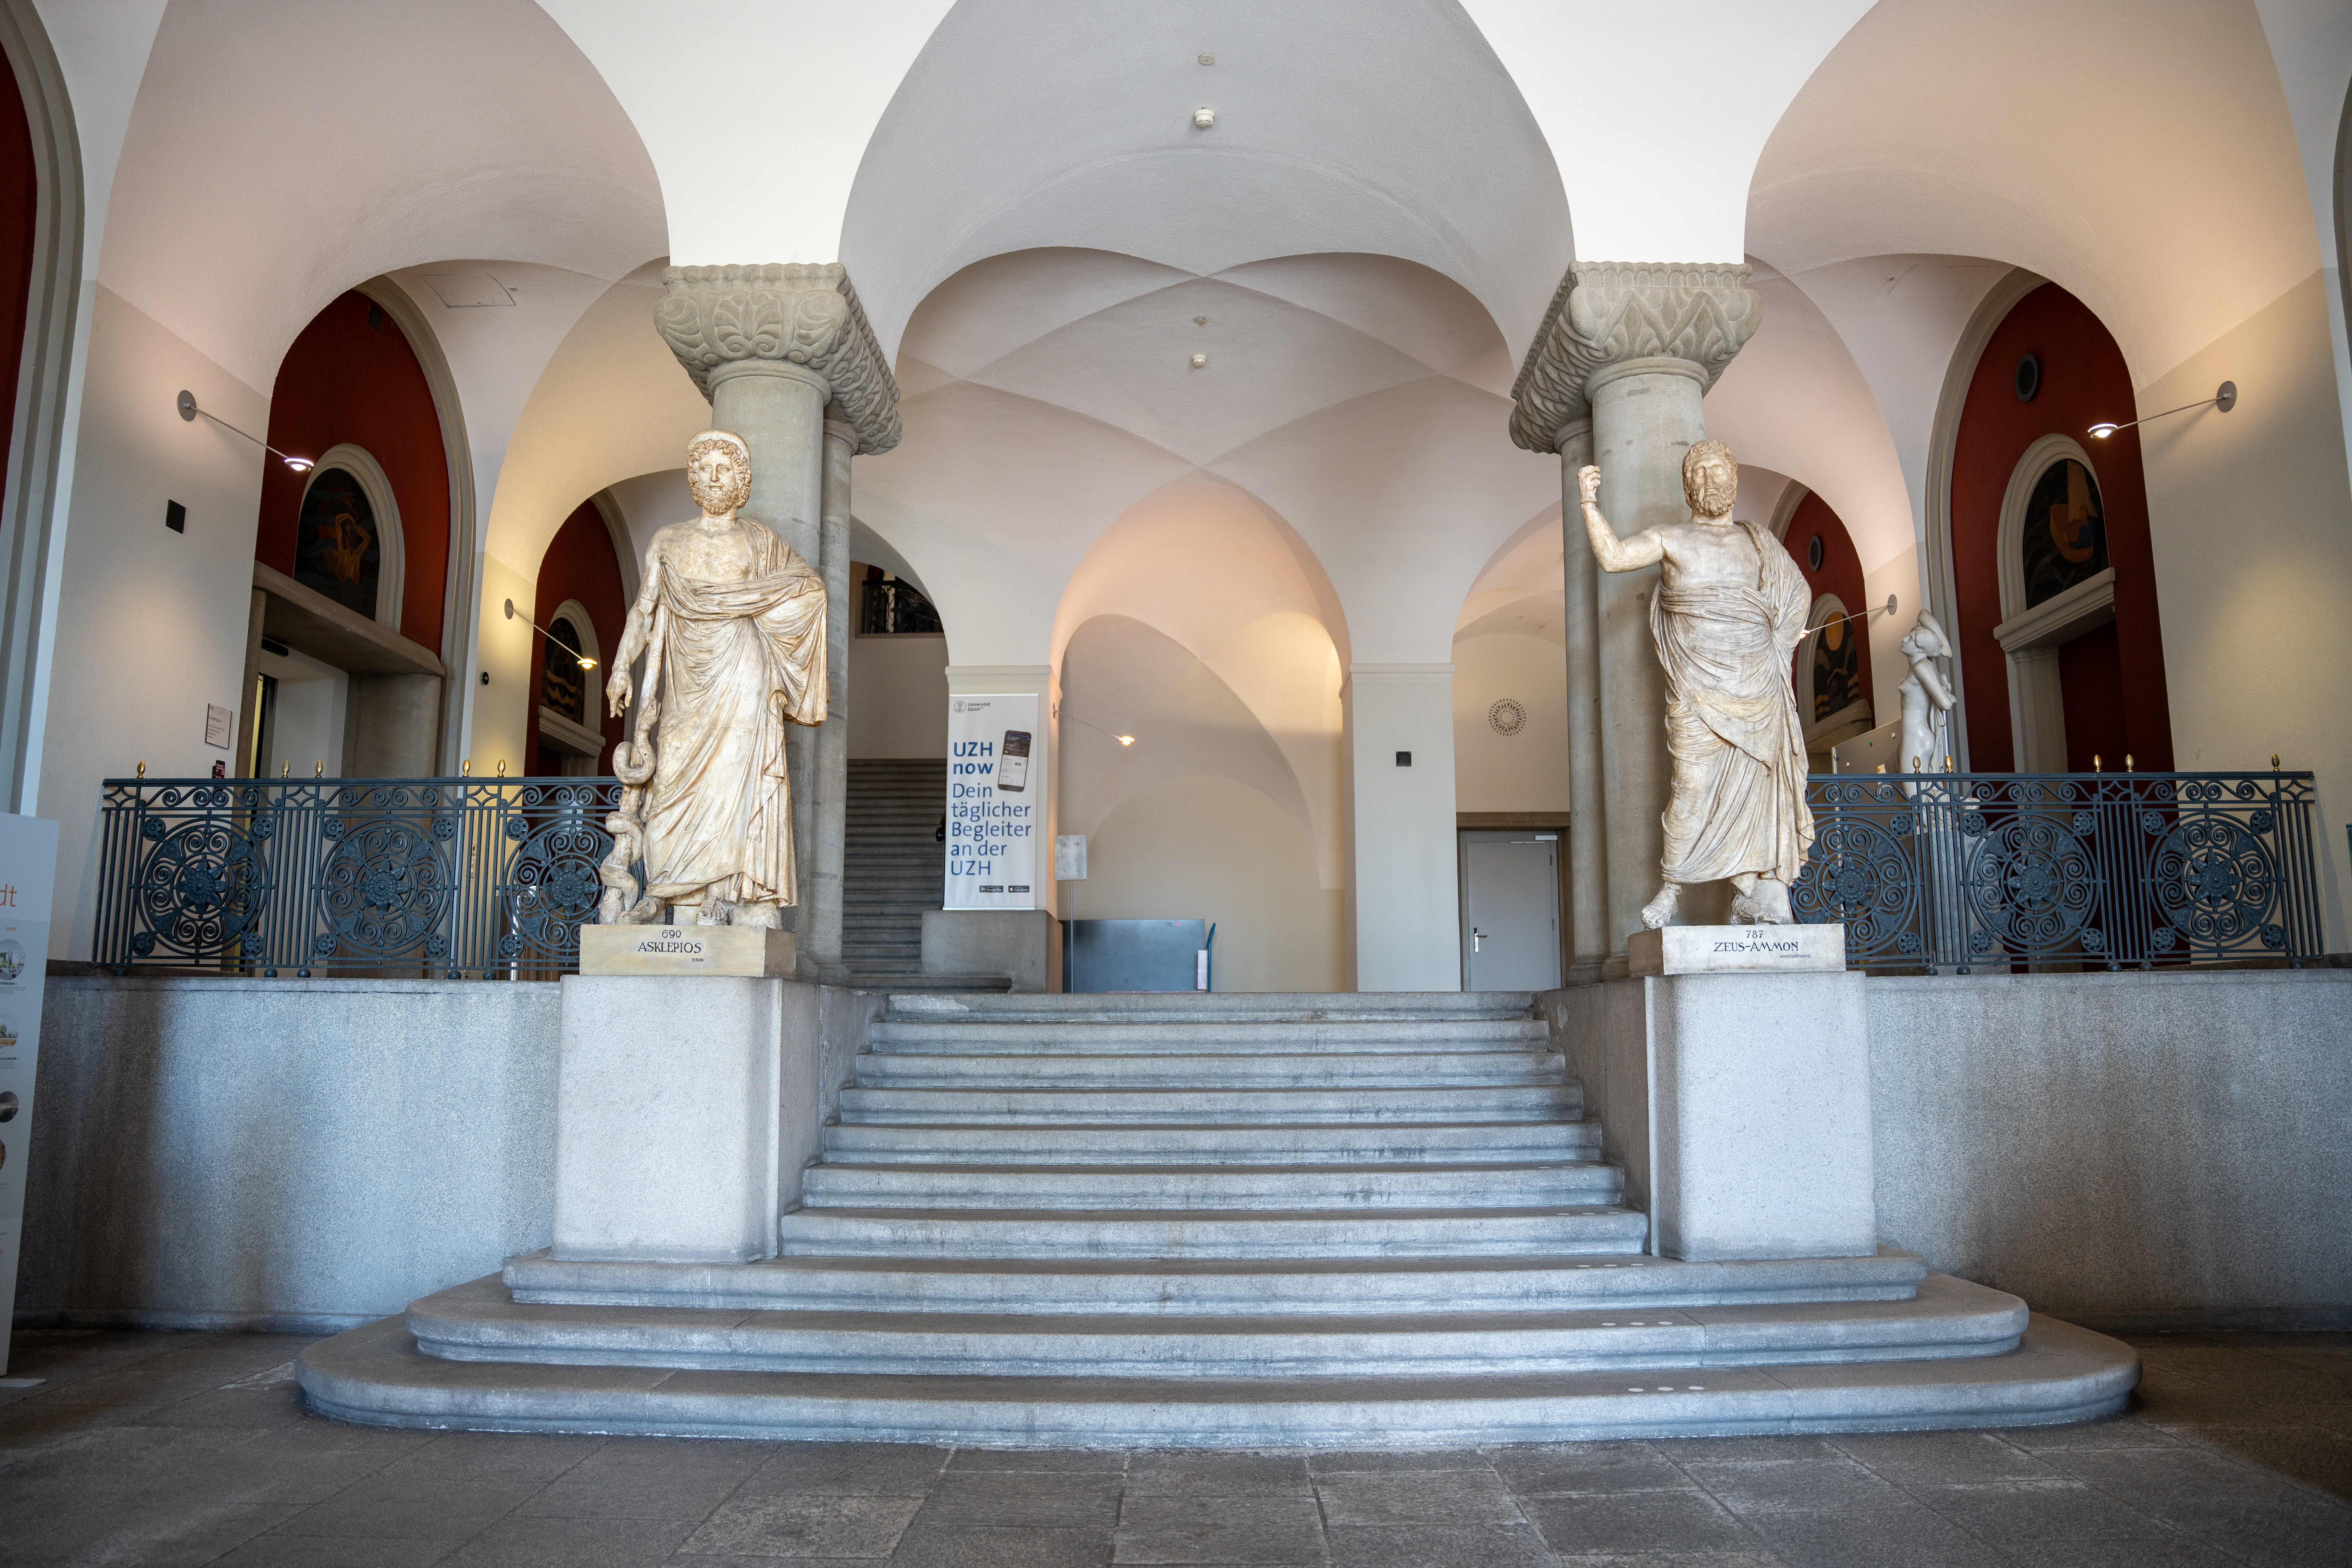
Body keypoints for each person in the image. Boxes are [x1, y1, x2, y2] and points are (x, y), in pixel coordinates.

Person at [1577, 440, 1813, 926]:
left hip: (1755, 684)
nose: (1710, 481)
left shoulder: (1759, 541)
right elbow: (1616, 557)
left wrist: (1778, 645)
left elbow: (1798, 594)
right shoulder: (1673, 537)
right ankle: (1671, 887)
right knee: (1691, 784)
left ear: (1733, 478)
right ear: (1689, 487)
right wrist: (1588, 504)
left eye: (1717, 471)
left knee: (1756, 786)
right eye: (1700, 473)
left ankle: (1752, 892)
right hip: (1698, 687)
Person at [603, 430, 826, 928]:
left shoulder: (759, 541)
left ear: (741, 482)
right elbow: (644, 610)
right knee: (675, 771)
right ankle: (669, 888)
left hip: (742, 672)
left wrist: (767, 627)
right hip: (688, 682)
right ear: (692, 479)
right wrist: (621, 665)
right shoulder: (669, 540)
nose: (713, 476)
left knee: (736, 780)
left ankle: (728, 895)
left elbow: (808, 589)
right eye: (704, 468)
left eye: (724, 469)